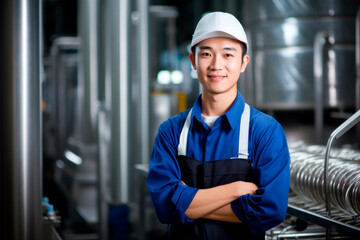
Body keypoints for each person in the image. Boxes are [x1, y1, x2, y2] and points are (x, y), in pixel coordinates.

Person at [147, 11, 290, 240]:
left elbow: (269, 211)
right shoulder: (171, 132)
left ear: (244, 62)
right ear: (193, 61)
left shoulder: (264, 132)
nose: (216, 64)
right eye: (206, 54)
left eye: (227, 54)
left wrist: (187, 202)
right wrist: (236, 190)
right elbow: (165, 207)